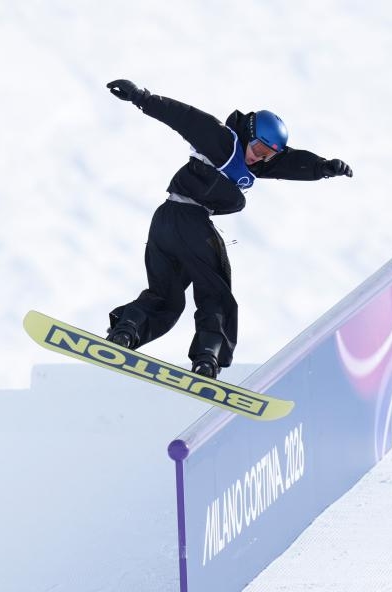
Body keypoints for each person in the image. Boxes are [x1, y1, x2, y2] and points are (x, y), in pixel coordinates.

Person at [104, 78, 354, 379]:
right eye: (260, 149)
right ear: (249, 134)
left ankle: (126, 331)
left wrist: (323, 168)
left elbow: (291, 162)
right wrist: (141, 97)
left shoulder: (256, 162)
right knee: (216, 292)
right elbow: (184, 118)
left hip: (164, 222)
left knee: (165, 297)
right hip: (190, 220)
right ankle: (208, 357)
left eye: (268, 155)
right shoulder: (223, 140)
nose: (260, 158)